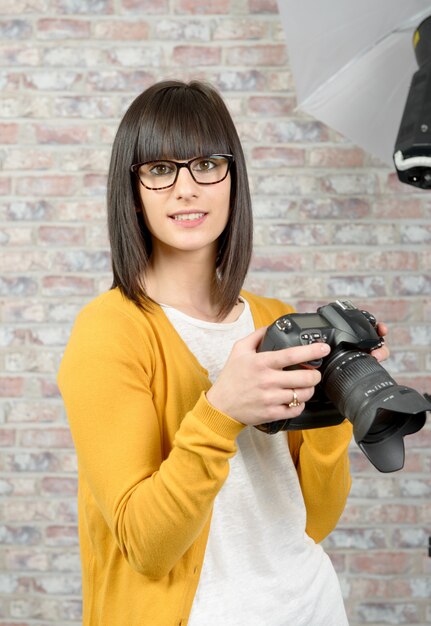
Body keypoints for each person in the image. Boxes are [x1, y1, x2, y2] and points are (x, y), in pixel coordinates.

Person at [58, 79, 389, 626]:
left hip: (310, 606)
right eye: (161, 169)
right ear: (132, 189)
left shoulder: (275, 317)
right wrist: (221, 410)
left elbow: (311, 522)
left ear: (233, 178)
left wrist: (337, 408)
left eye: (207, 163)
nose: (186, 189)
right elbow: (146, 545)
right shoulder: (109, 332)